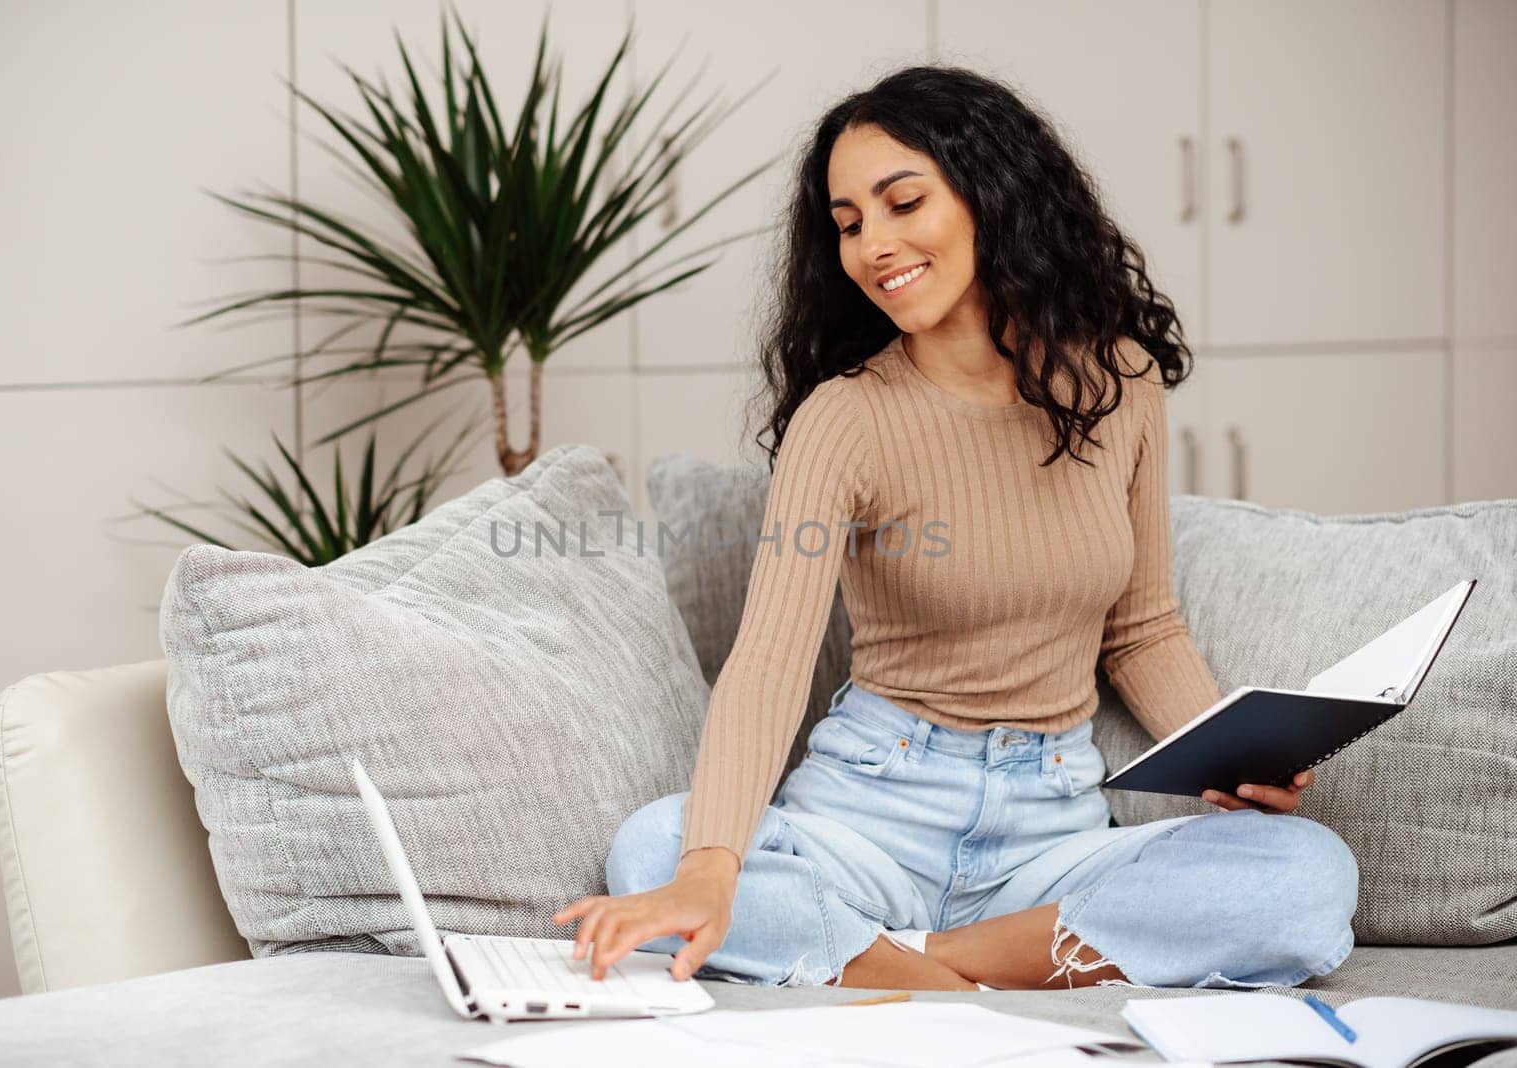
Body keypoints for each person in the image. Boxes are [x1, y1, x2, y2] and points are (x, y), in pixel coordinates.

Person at [552, 65, 1358, 992]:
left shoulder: (1119, 382)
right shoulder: (846, 418)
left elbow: (1141, 627)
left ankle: (906, 967)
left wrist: (1234, 756)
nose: (871, 246)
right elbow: (771, 660)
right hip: (869, 815)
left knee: (1308, 876)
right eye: (849, 223)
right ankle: (1002, 969)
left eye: (902, 203)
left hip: (1050, 828)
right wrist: (707, 870)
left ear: (993, 196)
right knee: (653, 847)